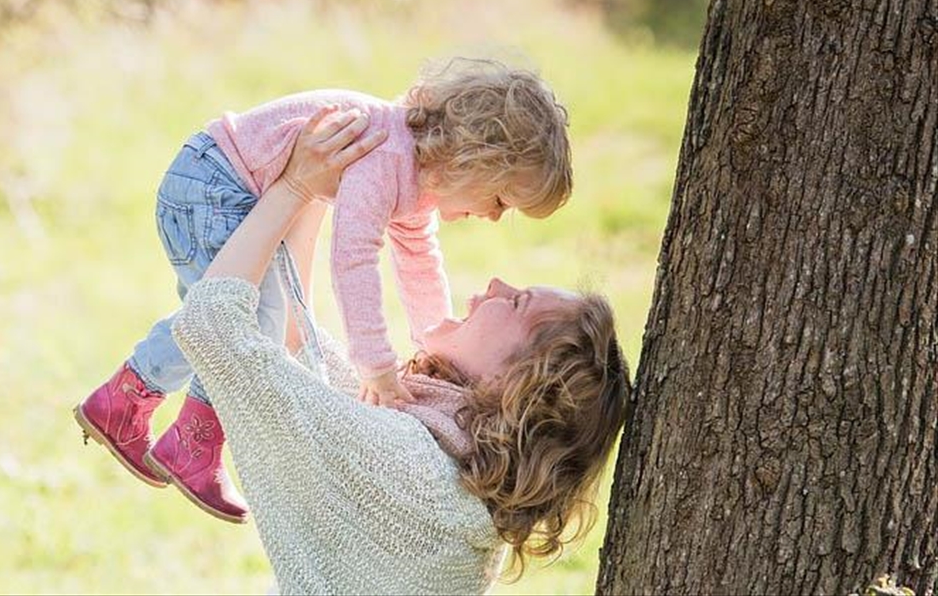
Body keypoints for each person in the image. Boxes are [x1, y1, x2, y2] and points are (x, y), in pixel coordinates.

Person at [75, 58, 573, 523]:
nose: (492, 216)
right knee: (240, 317)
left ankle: (133, 406)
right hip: (212, 186)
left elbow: (419, 263)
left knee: (240, 315)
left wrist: (433, 343)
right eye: (501, 199)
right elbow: (352, 258)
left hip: (223, 186)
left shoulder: (416, 177)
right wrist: (375, 363)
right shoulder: (388, 156)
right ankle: (185, 436)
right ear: (472, 159)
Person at [156, 119, 632, 593]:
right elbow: (297, 343)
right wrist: (323, 193)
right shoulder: (448, 462)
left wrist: (294, 185)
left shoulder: (411, 473)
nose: (494, 285)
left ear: (519, 382)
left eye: (515, 303)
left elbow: (213, 327)